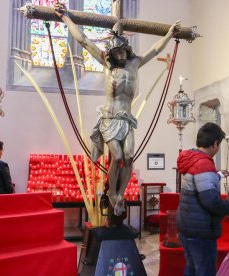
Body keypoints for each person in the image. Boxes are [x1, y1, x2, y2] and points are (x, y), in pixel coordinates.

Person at [55, 3, 181, 216]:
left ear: (127, 49)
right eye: (117, 52)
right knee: (118, 157)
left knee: (130, 156)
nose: (121, 55)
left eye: (123, 50)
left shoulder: (135, 63)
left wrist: (170, 33)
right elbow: (84, 41)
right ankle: (112, 193)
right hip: (110, 118)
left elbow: (156, 49)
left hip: (126, 119)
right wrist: (66, 18)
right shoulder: (106, 63)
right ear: (111, 53)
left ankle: (120, 194)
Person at [176, 122, 229, 276]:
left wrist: (216, 176)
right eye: (218, 145)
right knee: (204, 270)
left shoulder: (191, 158)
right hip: (200, 229)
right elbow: (210, 200)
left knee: (191, 268)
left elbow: (198, 184)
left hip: (187, 225)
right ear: (215, 144)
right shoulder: (204, 164)